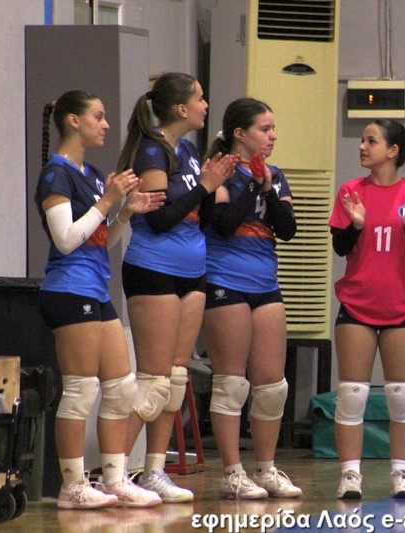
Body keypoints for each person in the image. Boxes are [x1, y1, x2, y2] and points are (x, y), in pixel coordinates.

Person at [35, 90, 167, 508]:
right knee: (80, 391)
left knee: (122, 389)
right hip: (68, 290)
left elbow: (100, 240)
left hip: (95, 288)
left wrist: (125, 212)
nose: (106, 124)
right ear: (73, 121)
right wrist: (108, 201)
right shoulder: (56, 174)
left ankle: (114, 479)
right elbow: (66, 239)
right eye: (98, 116)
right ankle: (72, 487)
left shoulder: (91, 173)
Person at [116, 72, 235, 503]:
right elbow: (160, 219)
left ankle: (153, 472)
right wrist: (205, 186)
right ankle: (113, 472)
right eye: (200, 98)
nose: (206, 105)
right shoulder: (153, 151)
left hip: (193, 271)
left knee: (175, 379)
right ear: (182, 109)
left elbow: (199, 215)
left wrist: (217, 189)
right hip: (154, 269)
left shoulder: (187, 150)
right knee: (153, 382)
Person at [200, 97, 301, 499]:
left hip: (265, 284)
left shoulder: (276, 175)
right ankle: (232, 473)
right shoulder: (219, 171)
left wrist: (267, 185)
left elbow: (288, 229)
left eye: (273, 128)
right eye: (265, 128)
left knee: (273, 386)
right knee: (231, 384)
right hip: (225, 280)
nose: (273, 135)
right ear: (240, 134)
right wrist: (252, 184)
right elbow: (223, 224)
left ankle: (267, 468)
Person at [328, 119, 405, 500]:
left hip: (401, 307)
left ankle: (401, 474)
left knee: (401, 396)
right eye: (362, 140)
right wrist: (356, 225)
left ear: (392, 151)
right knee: (352, 395)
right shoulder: (351, 191)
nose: (362, 146)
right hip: (357, 305)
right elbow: (340, 247)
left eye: (371, 141)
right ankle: (350, 475)